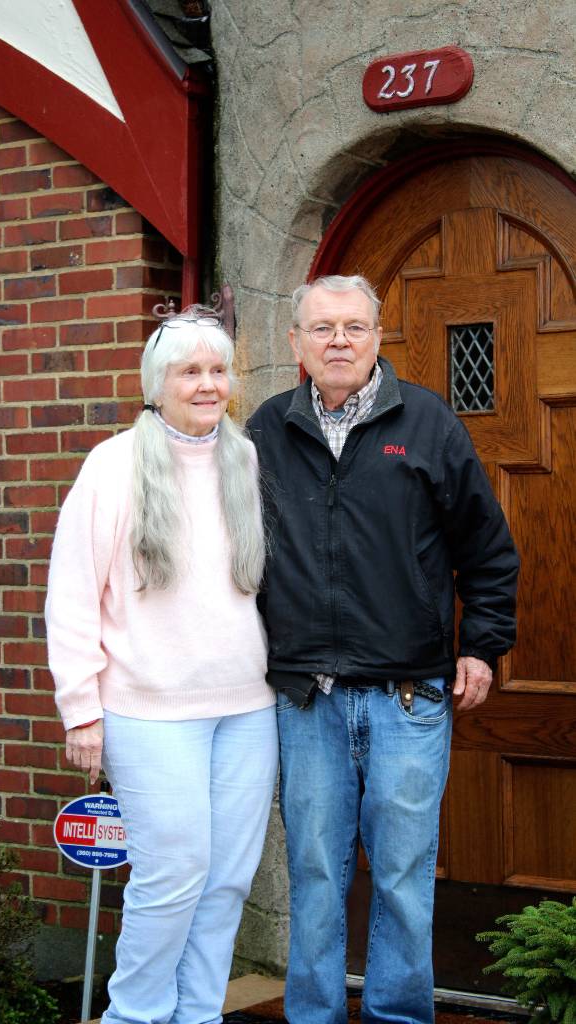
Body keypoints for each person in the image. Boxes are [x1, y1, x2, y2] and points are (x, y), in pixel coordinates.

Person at [246, 275, 519, 1024]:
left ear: (376, 337)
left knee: (401, 876)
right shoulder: (265, 431)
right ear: (296, 342)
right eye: (322, 328)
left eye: (354, 327)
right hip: (307, 699)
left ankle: (398, 1015)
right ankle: (313, 1015)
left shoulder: (427, 423)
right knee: (313, 874)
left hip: (408, 698)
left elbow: (487, 549)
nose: (338, 341)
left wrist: (481, 646)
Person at [45, 309, 278, 1024]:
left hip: (246, 706)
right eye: (189, 371)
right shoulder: (112, 464)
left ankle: (198, 1013)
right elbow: (72, 593)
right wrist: (81, 710)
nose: (207, 385)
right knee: (172, 875)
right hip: (148, 711)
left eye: (218, 370)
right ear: (157, 384)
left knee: (227, 879)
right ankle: (135, 1015)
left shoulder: (246, 459)